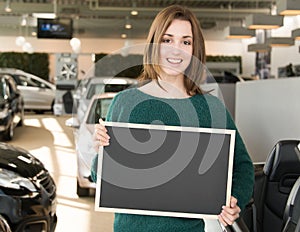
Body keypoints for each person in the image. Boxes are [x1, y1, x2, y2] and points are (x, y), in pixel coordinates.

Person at [92, 5, 254, 232]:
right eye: (167, 40)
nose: (176, 50)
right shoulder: (124, 102)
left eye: (186, 42)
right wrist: (102, 152)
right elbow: (100, 179)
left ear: (195, 50)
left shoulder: (209, 108)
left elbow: (243, 166)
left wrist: (236, 199)